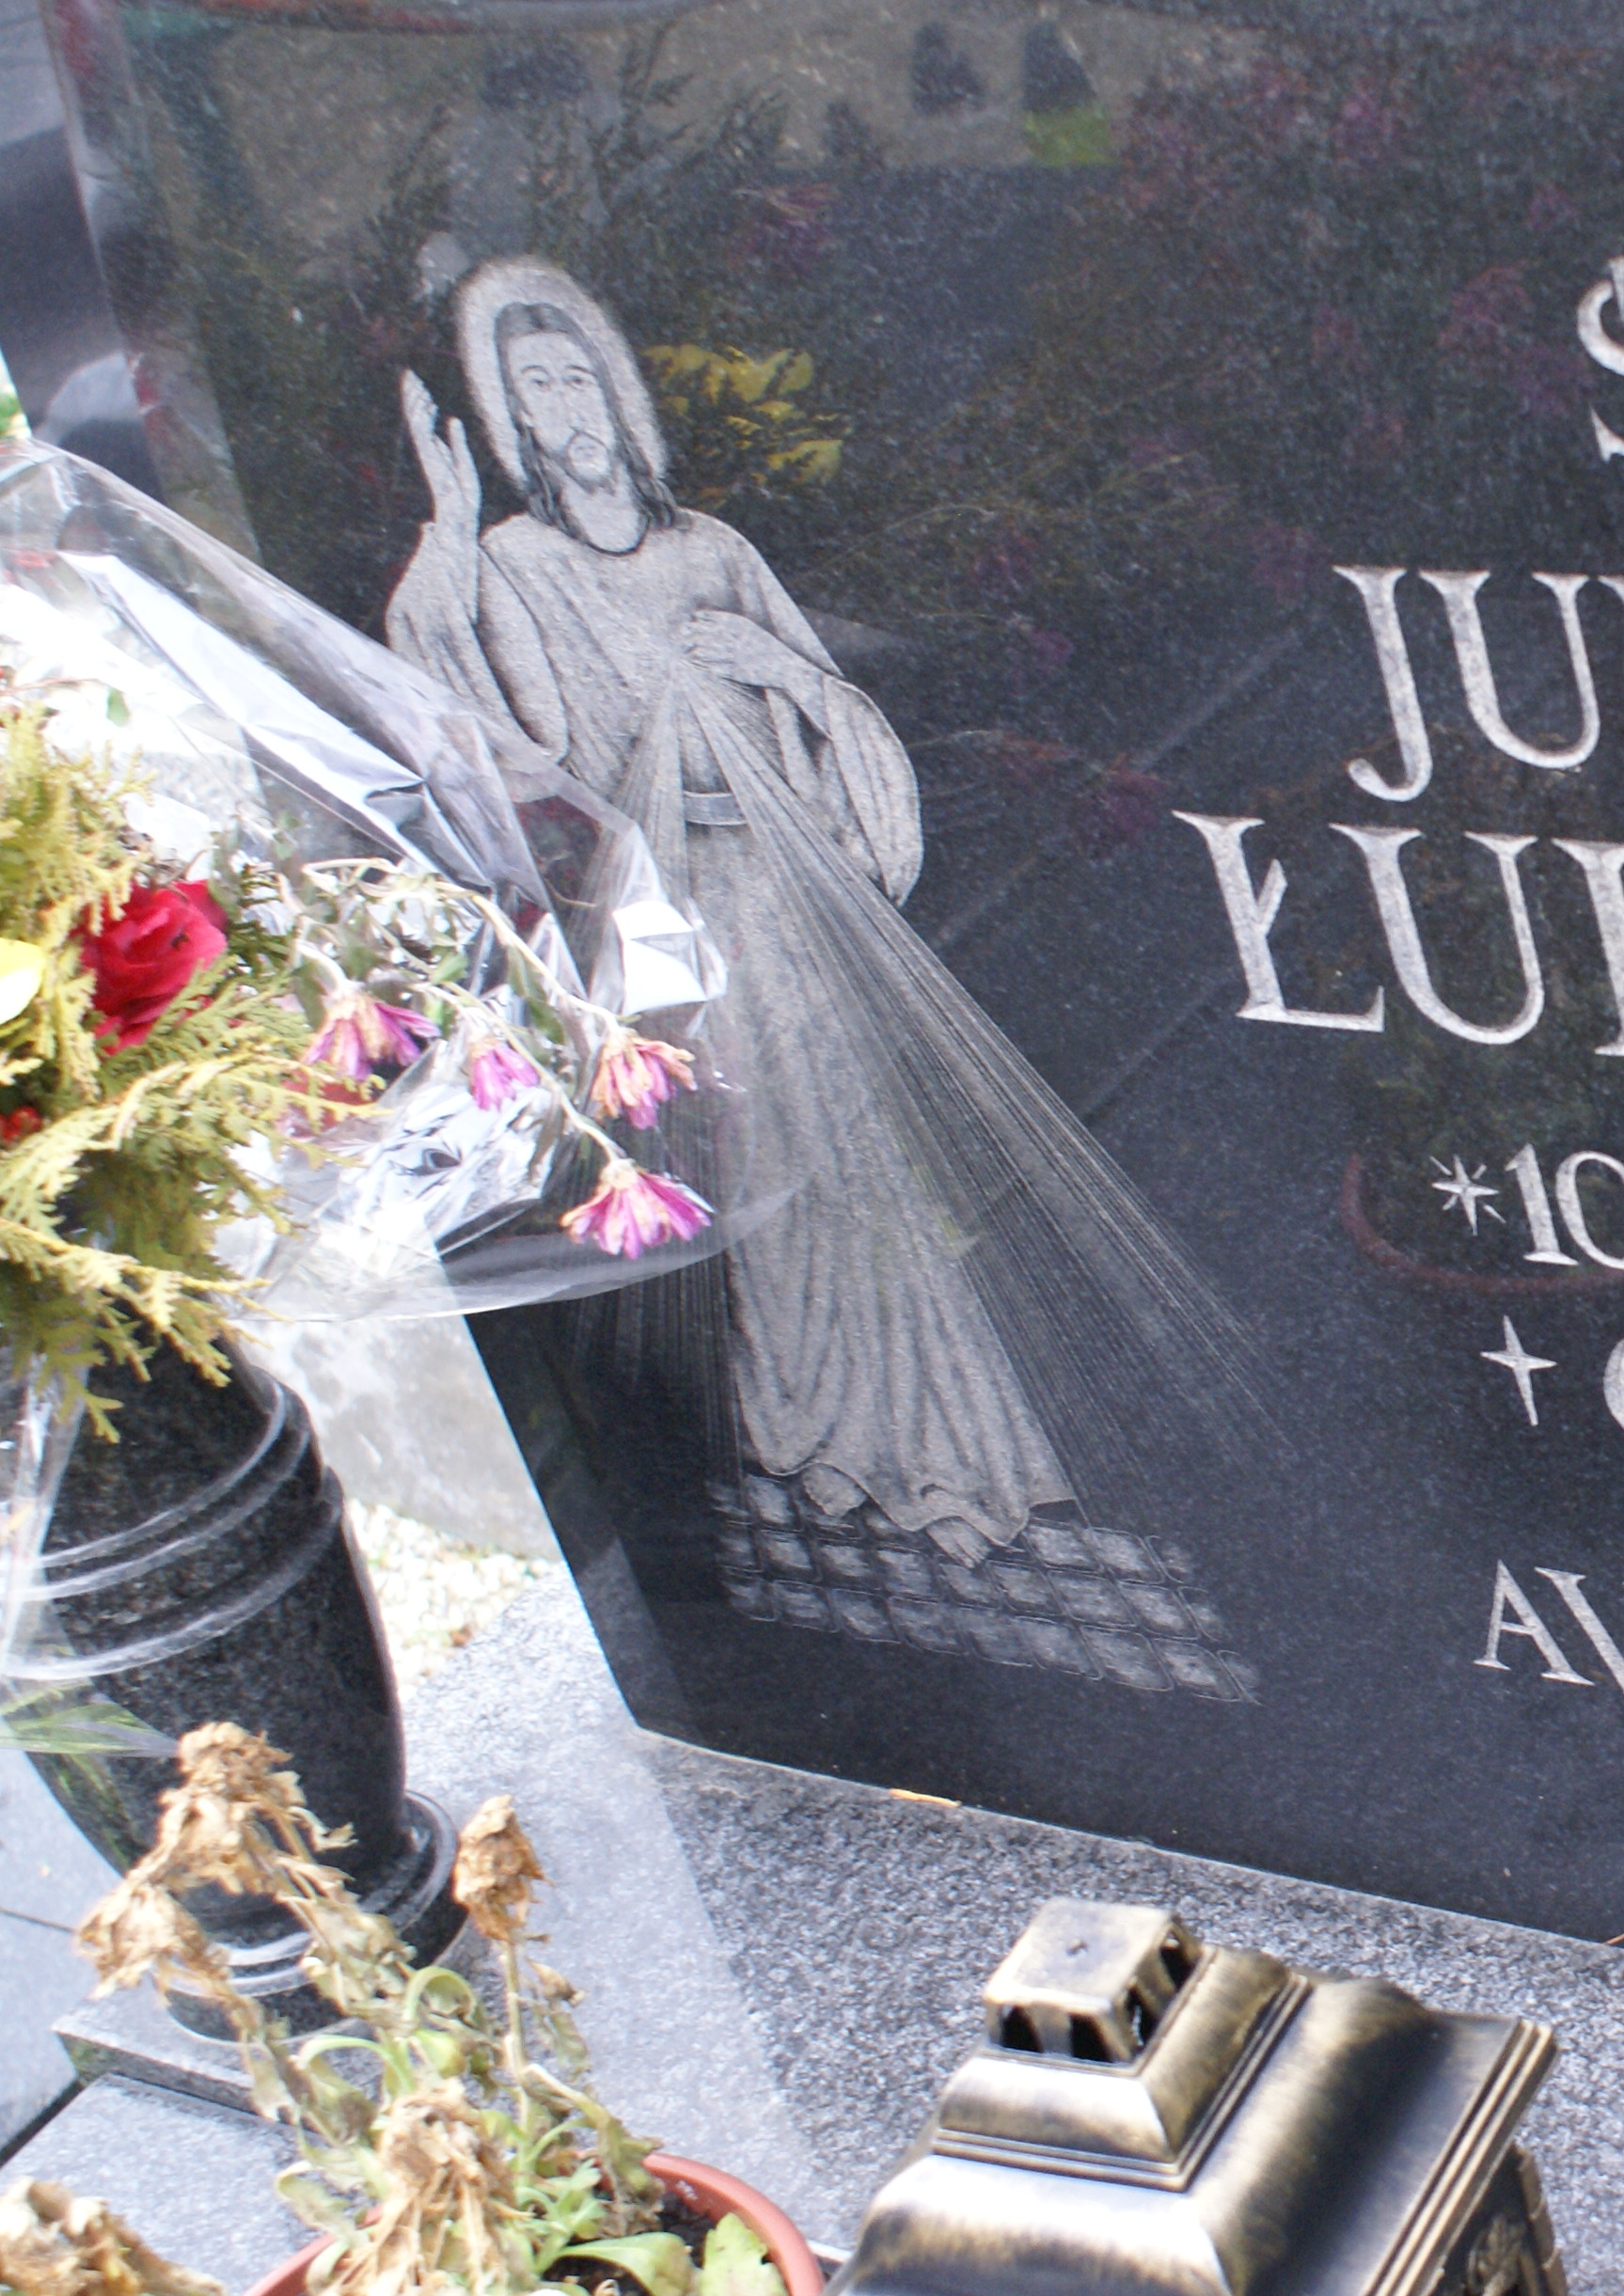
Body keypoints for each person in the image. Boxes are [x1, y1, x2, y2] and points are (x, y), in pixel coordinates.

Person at [385, 257, 1263, 1572]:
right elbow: (524, 751)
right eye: (534, 389)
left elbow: (835, 703)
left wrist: (771, 667)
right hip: (674, 912)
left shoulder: (713, 550)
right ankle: (809, 1427)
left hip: (789, 886)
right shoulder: (515, 564)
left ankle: (926, 1440)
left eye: (577, 375)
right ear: (511, 422)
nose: (565, 406)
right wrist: (449, 536)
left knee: (854, 1150)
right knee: (764, 1162)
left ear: (618, 393)